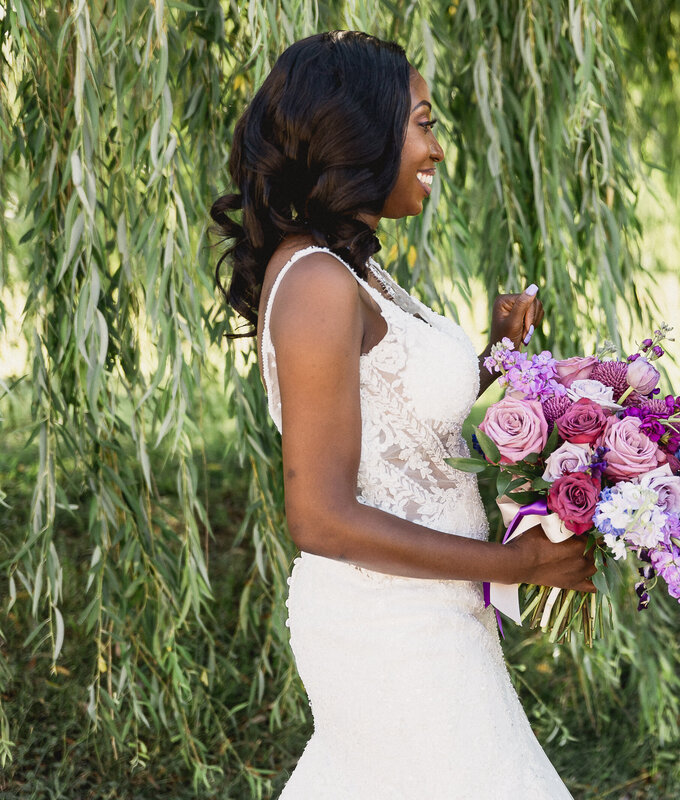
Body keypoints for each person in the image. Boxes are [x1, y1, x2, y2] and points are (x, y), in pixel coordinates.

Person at [209, 31, 594, 799]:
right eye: (424, 122)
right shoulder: (318, 280)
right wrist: (515, 567)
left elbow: (395, 419)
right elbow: (319, 516)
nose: (438, 149)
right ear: (363, 133)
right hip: (386, 630)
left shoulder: (352, 263)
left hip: (432, 610)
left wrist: (493, 354)